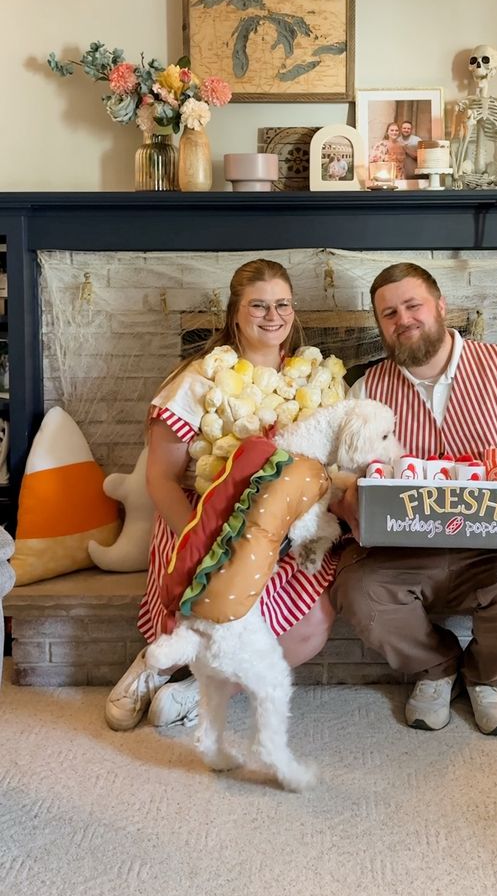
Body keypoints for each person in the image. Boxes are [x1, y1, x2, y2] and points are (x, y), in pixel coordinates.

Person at [330, 262, 497, 736]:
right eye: (389, 313)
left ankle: (486, 677)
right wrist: (350, 510)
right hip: (401, 549)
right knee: (359, 591)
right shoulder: (366, 390)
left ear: (441, 307)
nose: (403, 319)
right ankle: (436, 667)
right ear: (380, 325)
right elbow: (339, 479)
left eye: (413, 305)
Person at [105, 259, 337, 731]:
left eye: (282, 304)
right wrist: (205, 540)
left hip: (284, 533)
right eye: (258, 305)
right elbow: (162, 480)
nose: (272, 316)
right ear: (235, 313)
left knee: (313, 625)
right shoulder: (196, 381)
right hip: (202, 523)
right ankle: (150, 670)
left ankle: (199, 690)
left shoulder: (315, 382)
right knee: (206, 598)